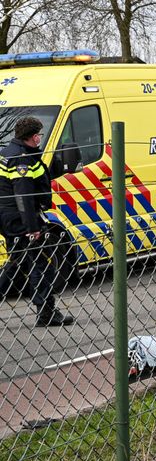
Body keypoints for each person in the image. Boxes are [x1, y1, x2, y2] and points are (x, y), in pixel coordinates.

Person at [0, 116, 73, 326]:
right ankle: (47, 313)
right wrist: (32, 228)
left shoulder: (8, 153)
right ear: (33, 137)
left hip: (11, 217)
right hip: (21, 219)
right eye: (39, 134)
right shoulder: (21, 159)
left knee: (17, 263)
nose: (40, 137)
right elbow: (23, 196)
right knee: (41, 265)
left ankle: (47, 312)